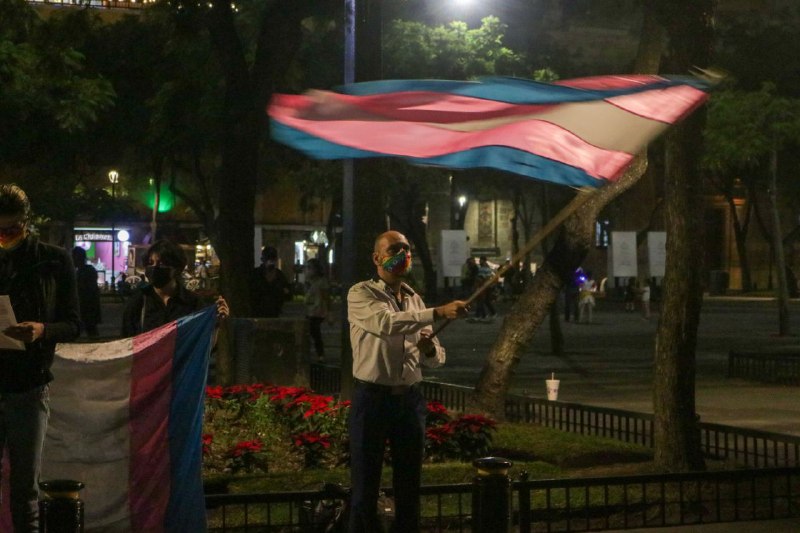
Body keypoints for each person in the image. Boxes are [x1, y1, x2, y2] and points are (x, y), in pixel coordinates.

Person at [347, 230, 468, 533]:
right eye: (394, 249)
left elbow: (435, 358)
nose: (403, 254)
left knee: (410, 485)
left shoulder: (414, 300)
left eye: (407, 249)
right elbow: (386, 323)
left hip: (409, 401)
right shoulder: (361, 293)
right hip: (372, 399)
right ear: (377, 258)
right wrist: (438, 312)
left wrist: (429, 350)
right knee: (365, 485)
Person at [0, 184, 80, 532]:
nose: (5, 236)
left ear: (27, 221)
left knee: (25, 489)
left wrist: (42, 330)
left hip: (29, 386)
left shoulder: (53, 260)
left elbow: (74, 323)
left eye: (12, 228)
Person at [121, 239, 229, 337]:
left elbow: (202, 341)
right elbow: (126, 344)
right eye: (150, 263)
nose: (154, 268)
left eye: (161, 264)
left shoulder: (193, 303)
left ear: (176, 269)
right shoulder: (137, 303)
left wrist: (217, 323)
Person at [250, 246, 291, 318]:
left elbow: (288, 294)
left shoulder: (280, 276)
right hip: (258, 313)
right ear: (263, 259)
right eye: (268, 258)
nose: (270, 261)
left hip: (274, 313)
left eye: (273, 258)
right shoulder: (256, 274)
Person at [72, 246, 102, 337]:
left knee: (89, 329)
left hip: (87, 307)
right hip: (87, 307)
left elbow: (87, 291)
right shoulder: (85, 271)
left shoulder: (84, 272)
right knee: (91, 330)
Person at [304, 257, 330, 362]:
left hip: (317, 312)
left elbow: (326, 297)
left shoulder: (321, 282)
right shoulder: (309, 282)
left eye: (310, 268)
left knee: (315, 333)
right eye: (307, 268)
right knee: (310, 333)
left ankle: (320, 355)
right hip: (310, 311)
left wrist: (329, 312)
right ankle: (317, 354)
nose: (307, 270)